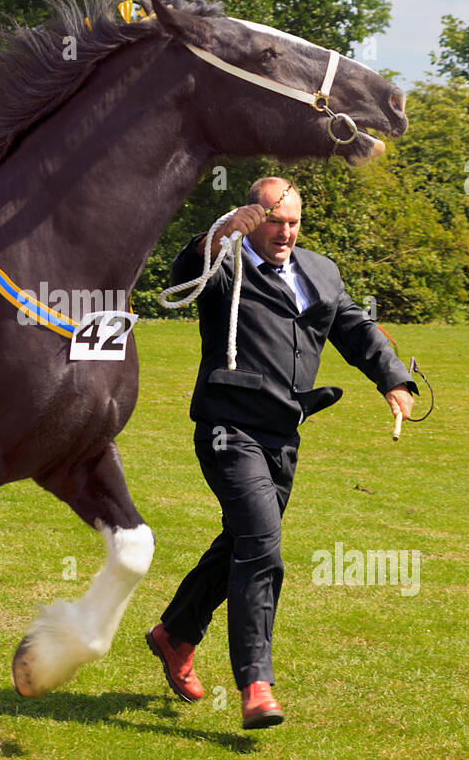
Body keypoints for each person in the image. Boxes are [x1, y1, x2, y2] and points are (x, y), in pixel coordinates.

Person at [146, 176, 417, 728]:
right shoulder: (227, 264)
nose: (286, 233)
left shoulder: (320, 270)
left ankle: (174, 632)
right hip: (229, 430)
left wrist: (393, 379)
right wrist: (220, 232)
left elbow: (354, 327)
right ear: (254, 218)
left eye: (293, 223)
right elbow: (183, 275)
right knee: (263, 548)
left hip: (284, 434)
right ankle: (256, 684)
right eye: (275, 222)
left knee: (243, 542)